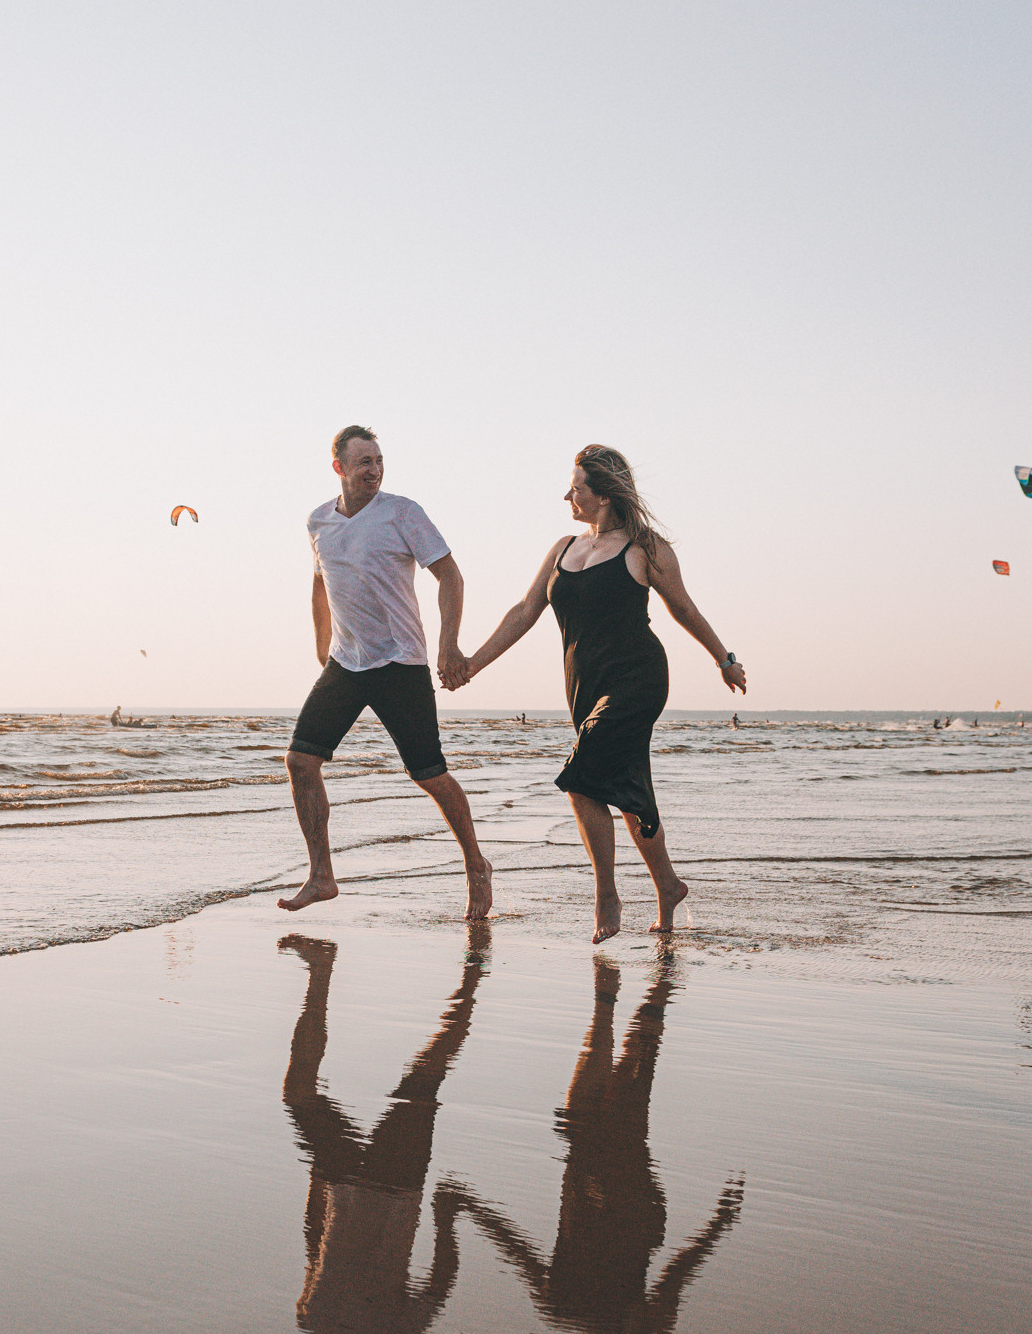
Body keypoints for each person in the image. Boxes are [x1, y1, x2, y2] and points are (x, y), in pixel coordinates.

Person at [456, 445, 745, 942]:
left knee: (581, 779)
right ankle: (669, 886)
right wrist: (472, 665)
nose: (567, 496)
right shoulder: (563, 548)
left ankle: (606, 895)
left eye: (576, 488)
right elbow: (524, 612)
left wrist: (724, 659)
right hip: (584, 685)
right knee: (627, 791)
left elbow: (684, 608)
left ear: (604, 495)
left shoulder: (645, 548)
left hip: (637, 678)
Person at [443, 955, 744, 1332]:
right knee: (632, 1039)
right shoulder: (588, 1313)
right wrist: (716, 1227)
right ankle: (662, 959)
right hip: (626, 1174)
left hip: (595, 1155)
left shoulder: (564, 1307)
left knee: (615, 1028)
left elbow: (517, 1251)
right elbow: (673, 1282)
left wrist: (469, 1205)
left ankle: (647, 960)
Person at [280, 425, 493, 919]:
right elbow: (320, 583)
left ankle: (475, 864)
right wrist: (322, 646)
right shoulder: (318, 521)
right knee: (300, 761)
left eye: (378, 461)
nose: (374, 470)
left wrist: (448, 645)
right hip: (346, 662)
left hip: (400, 661)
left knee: (430, 774)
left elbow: (450, 575)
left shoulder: (402, 513)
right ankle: (322, 875)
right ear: (339, 467)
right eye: (364, 462)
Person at [278, 929, 487, 1332]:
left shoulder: (312, 1321)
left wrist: (317, 1173)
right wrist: (444, 1218)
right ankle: (475, 971)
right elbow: (439, 1284)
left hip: (344, 1186)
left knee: (298, 1094)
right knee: (425, 1077)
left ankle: (320, 970)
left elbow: (315, 1248)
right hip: (396, 1187)